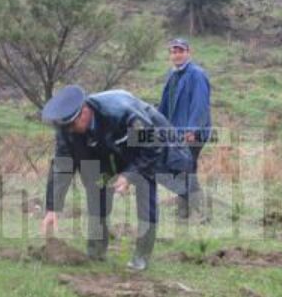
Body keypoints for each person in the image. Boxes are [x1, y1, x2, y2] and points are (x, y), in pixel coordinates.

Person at [41, 86, 194, 271]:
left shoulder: (123, 113)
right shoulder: (68, 129)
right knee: (96, 187)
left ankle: (142, 255)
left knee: (145, 187)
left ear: (85, 112)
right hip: (103, 151)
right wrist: (52, 207)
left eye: (72, 126)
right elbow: (61, 165)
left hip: (143, 148)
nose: (70, 131)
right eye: (66, 128)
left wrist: (129, 175)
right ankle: (96, 251)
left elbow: (153, 147)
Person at [157, 37, 211, 219]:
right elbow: (164, 105)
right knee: (183, 170)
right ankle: (186, 210)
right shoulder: (173, 76)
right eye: (174, 51)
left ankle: (200, 211)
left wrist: (192, 130)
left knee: (184, 169)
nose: (177, 54)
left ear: (188, 53)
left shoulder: (197, 74)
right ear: (170, 55)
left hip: (192, 134)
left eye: (180, 51)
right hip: (175, 133)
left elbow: (200, 104)